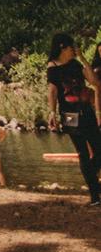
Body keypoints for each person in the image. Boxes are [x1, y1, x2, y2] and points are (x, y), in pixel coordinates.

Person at [46, 32, 101, 205]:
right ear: (63, 47)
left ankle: (94, 185)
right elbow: (53, 91)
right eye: (72, 47)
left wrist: (83, 59)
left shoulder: (76, 63)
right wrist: (52, 112)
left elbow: (95, 82)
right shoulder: (52, 66)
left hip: (86, 111)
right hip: (69, 115)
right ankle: (95, 196)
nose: (74, 50)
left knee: (99, 148)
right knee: (82, 153)